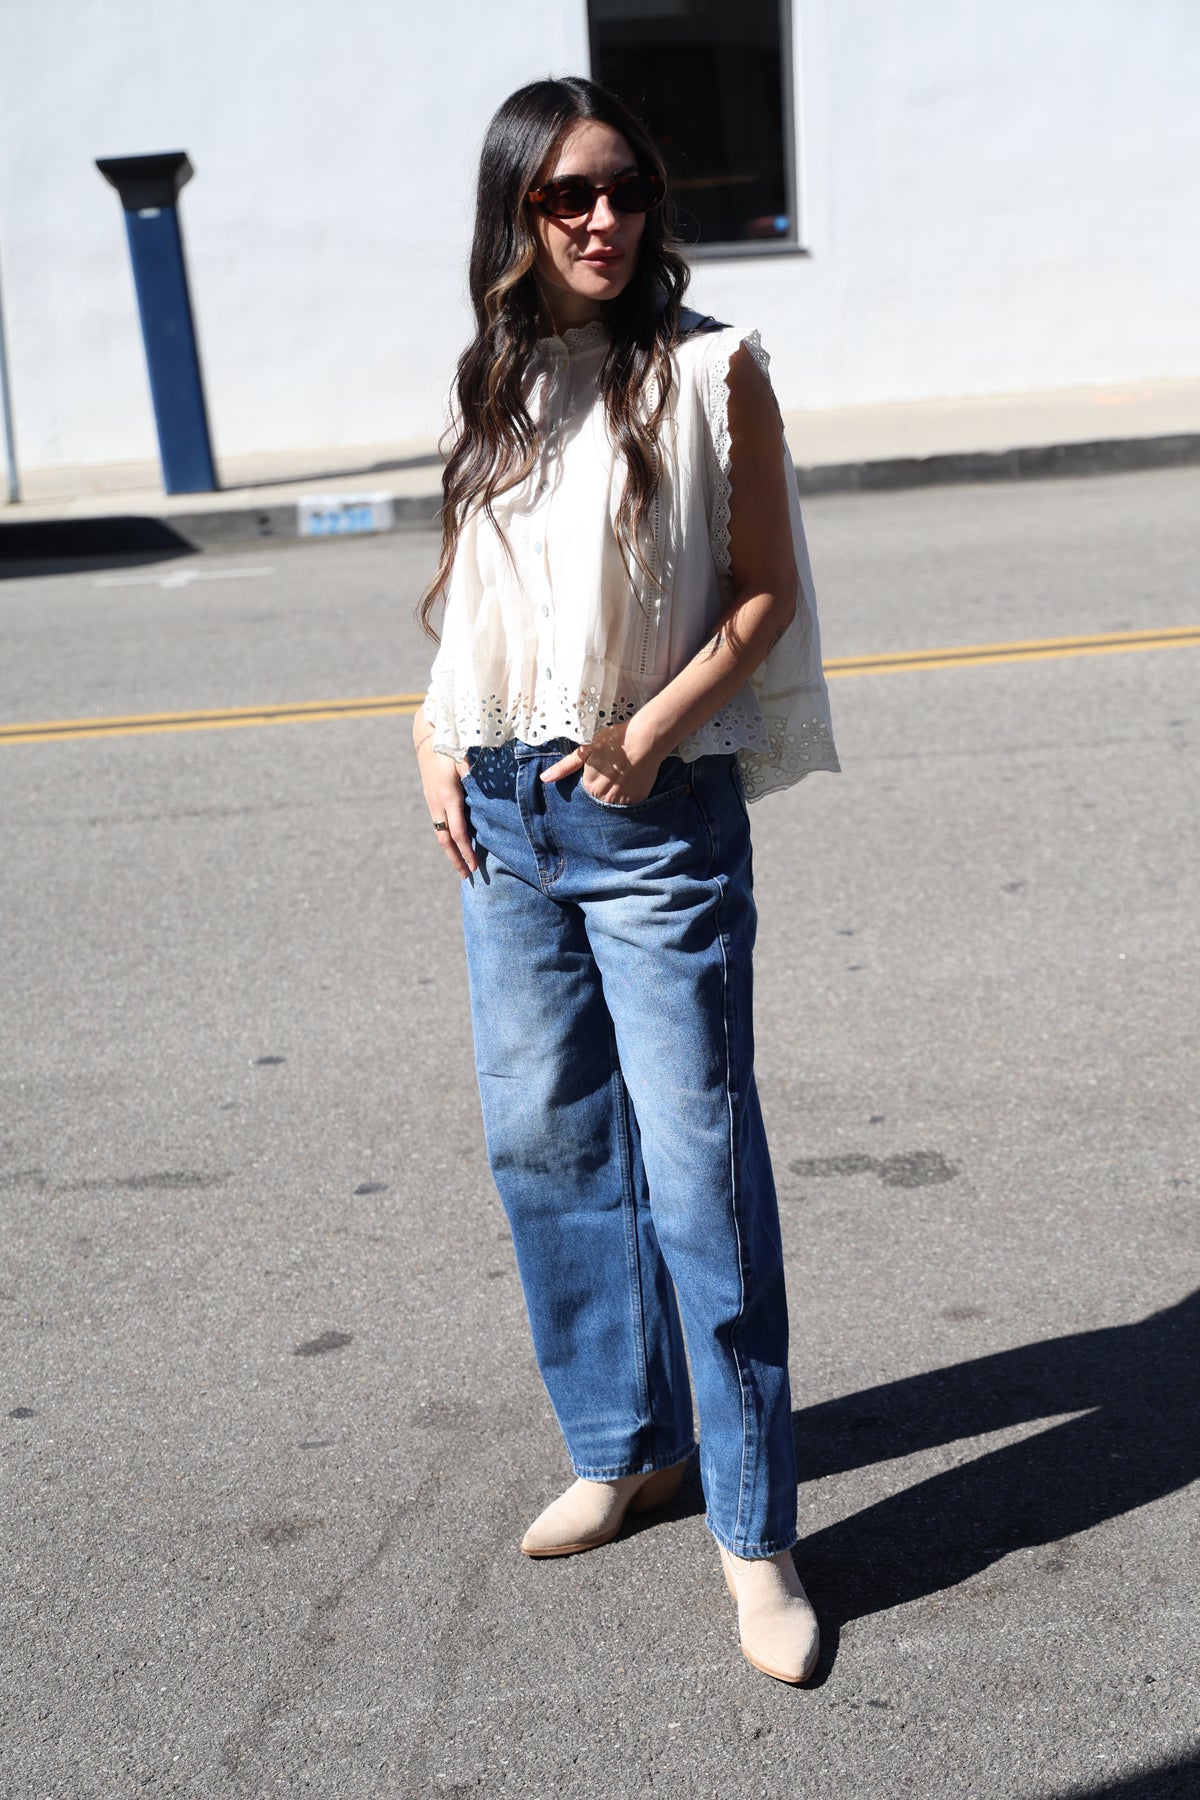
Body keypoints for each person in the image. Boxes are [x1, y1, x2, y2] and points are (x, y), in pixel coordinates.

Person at [413, 75, 839, 1686]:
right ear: (515, 211)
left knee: (699, 1169)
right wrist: (429, 735)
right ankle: (628, 1441)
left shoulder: (714, 371)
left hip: (650, 817)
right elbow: (475, 586)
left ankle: (755, 1530)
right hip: (503, 812)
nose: (605, 220)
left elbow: (763, 596)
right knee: (546, 1145)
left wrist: (653, 734)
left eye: (627, 192)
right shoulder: (497, 379)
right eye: (568, 196)